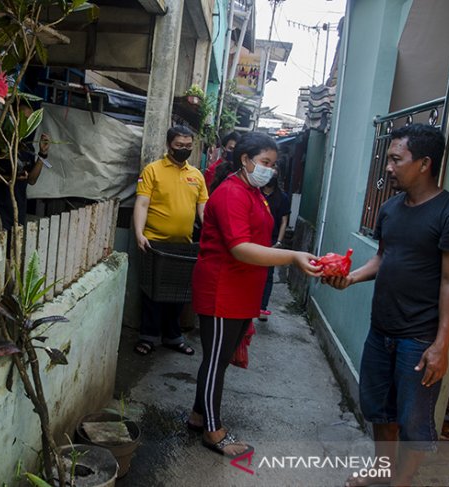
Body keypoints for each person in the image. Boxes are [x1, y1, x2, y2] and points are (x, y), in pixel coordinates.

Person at [323, 124, 449, 487]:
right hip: (382, 330)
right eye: (388, 158)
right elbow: (383, 258)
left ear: (424, 163)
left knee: (413, 420)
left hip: (419, 338)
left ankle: (402, 482)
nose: (388, 167)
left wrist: (441, 345)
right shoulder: (391, 208)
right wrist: (351, 278)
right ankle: (383, 470)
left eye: (396, 159)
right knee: (379, 409)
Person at [186, 132, 321, 457]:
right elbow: (241, 248)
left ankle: (198, 415)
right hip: (222, 289)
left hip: (241, 289)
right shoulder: (233, 193)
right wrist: (292, 257)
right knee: (216, 361)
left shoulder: (253, 192)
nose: (270, 170)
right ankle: (213, 431)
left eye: (273, 165)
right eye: (265, 163)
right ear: (245, 160)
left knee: (220, 360)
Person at [133, 125, 208, 357]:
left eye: (188, 146)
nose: (184, 150)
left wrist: (211, 236)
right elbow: (142, 203)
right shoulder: (152, 170)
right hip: (154, 243)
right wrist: (139, 233)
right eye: (179, 146)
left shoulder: (196, 175)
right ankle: (148, 337)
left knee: (179, 294)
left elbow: (204, 210)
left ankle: (173, 337)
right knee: (153, 294)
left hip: (184, 245)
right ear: (168, 145)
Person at [0, 104, 51, 231]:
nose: (27, 124)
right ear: (13, 118)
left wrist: (42, 154)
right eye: (24, 119)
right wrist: (10, 178)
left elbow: (32, 180)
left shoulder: (27, 148)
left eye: (31, 120)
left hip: (16, 212)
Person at [258, 171, 290, 321]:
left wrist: (279, 242)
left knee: (268, 275)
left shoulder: (282, 198)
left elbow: (284, 221)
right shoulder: (255, 193)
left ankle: (262, 308)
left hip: (271, 240)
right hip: (255, 238)